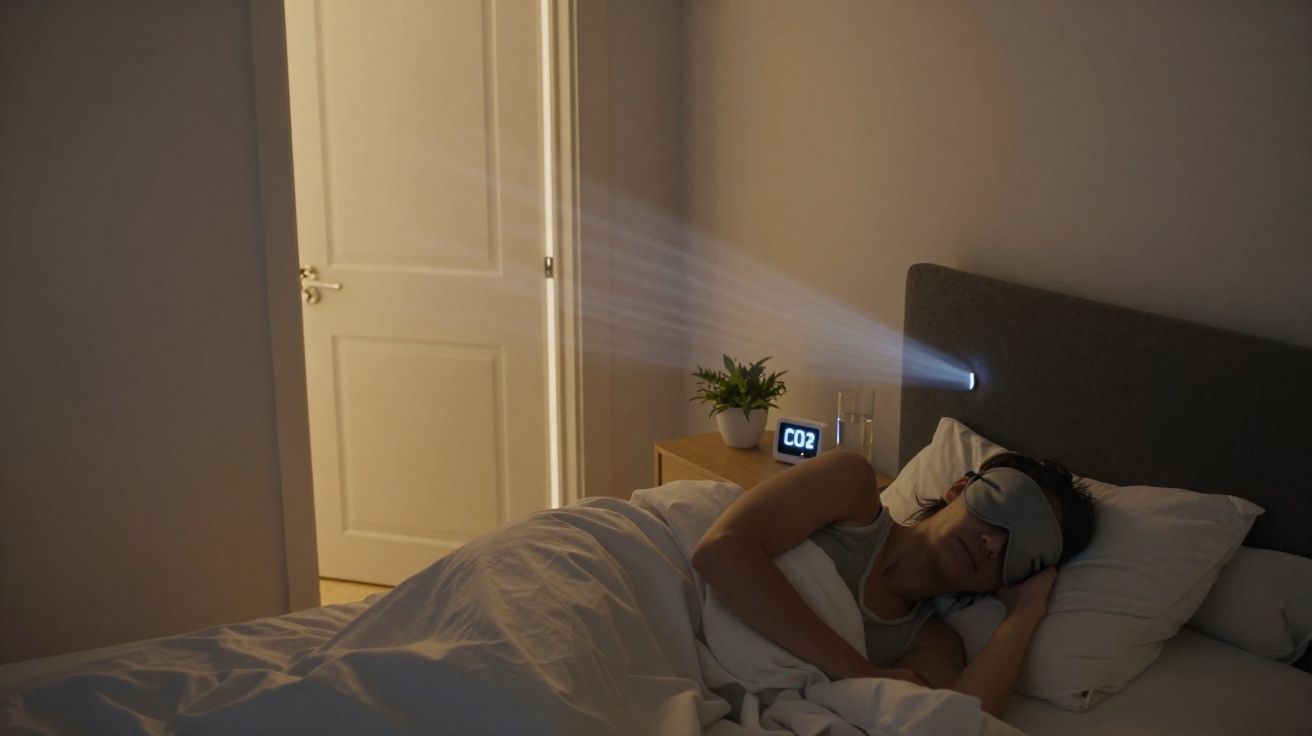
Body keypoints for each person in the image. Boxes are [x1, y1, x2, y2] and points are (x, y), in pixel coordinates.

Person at [691, 448, 1096, 719]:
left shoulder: (931, 644)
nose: (994, 543)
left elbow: (954, 723)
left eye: (1020, 552)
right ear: (958, 490)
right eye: (998, 514)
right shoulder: (850, 488)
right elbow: (719, 552)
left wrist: (1024, 613)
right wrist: (860, 671)